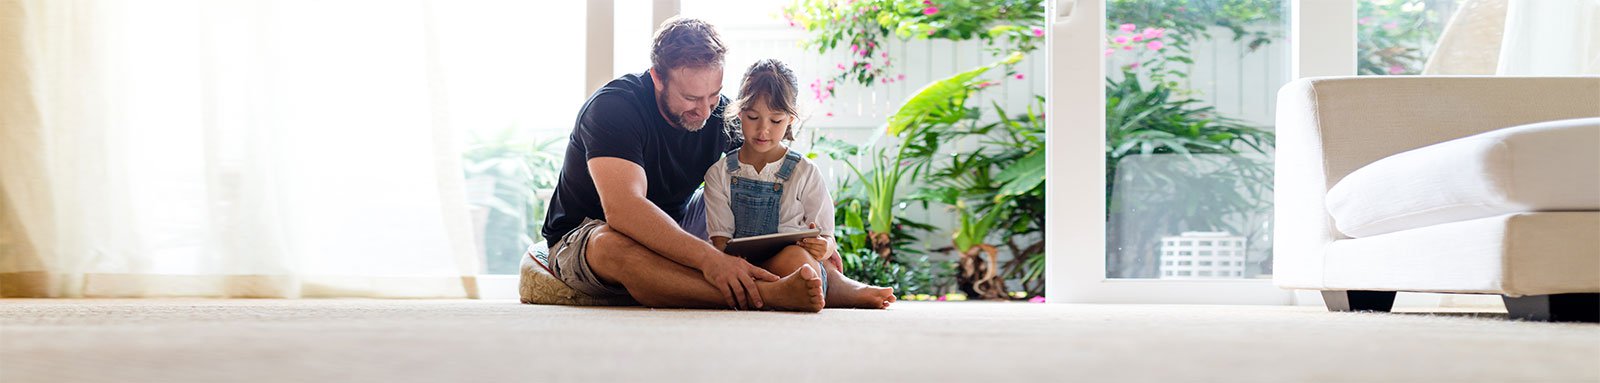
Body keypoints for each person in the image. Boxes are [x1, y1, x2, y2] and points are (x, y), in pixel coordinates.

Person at [538, 17, 824, 311]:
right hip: (588, 233)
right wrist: (710, 260)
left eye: (713, 94)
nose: (704, 110)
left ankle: (844, 288)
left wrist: (814, 235)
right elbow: (623, 210)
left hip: (679, 222)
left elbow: (769, 173)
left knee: (742, 196)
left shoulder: (718, 112)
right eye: (691, 97)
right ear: (657, 78)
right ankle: (767, 296)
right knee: (610, 245)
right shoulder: (614, 107)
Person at [704, 59, 896, 309]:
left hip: (792, 261)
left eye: (775, 121)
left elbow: (827, 237)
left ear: (791, 119)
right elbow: (720, 243)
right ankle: (816, 291)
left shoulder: (804, 171)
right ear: (739, 113)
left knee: (798, 262)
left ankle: (818, 288)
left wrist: (822, 246)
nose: (763, 130)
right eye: (753, 117)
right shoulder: (719, 173)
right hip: (742, 265)